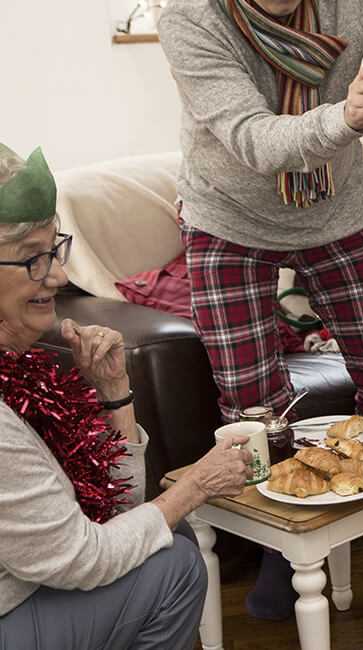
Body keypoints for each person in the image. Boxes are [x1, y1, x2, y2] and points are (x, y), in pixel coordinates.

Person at [158, 0, 363, 619]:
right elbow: (255, 139)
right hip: (228, 219)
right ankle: (287, 541)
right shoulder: (190, 18)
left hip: (336, 212)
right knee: (253, 408)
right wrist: (348, 114)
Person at [0, 144, 254, 648]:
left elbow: (112, 517)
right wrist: (197, 485)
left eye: (55, 249)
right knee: (174, 563)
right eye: (33, 258)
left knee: (166, 538)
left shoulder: (24, 372)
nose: (57, 275)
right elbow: (83, 557)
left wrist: (115, 397)